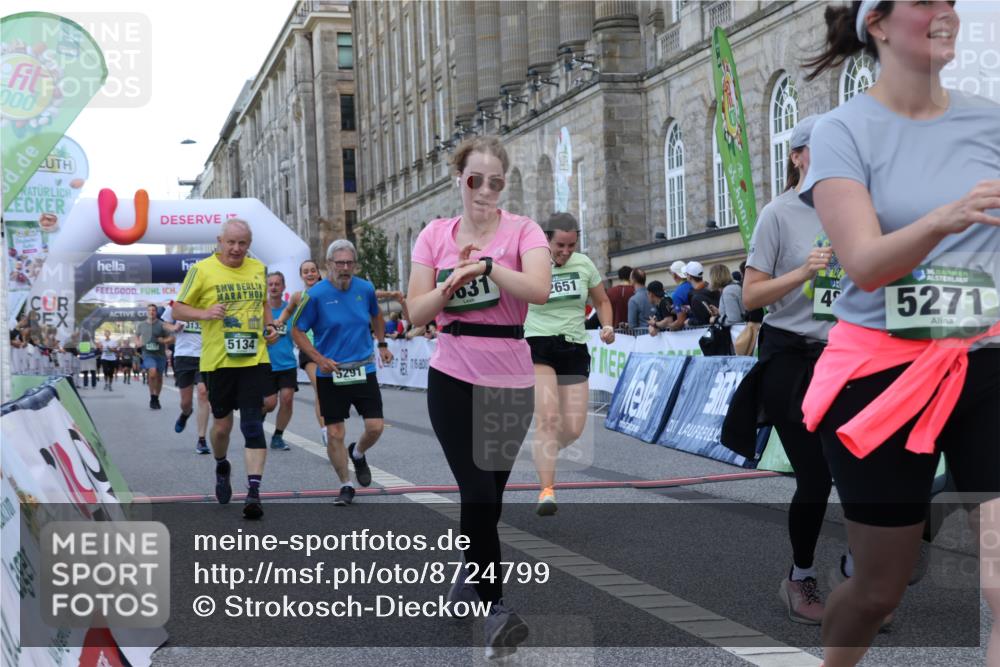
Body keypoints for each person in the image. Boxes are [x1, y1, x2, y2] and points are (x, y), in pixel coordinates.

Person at [798, 2, 1000, 664]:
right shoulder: (842, 130)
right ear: (877, 25)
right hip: (879, 376)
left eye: (950, 1)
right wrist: (944, 218)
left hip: (985, 359)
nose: (945, 12)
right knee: (880, 590)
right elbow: (863, 262)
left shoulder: (991, 120)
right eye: (924, 2)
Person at [406, 135, 550, 660]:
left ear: (504, 184)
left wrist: (486, 267)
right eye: (475, 180)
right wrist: (450, 283)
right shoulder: (433, 236)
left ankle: (470, 576)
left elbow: (538, 288)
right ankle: (496, 612)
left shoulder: (523, 231)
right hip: (453, 375)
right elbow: (417, 313)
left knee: (490, 498)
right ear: (458, 181)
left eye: (495, 181)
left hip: (510, 377)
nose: (485, 190)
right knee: (479, 495)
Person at [727, 114, 840, 626]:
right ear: (796, 156)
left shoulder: (855, 211)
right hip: (791, 358)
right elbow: (752, 296)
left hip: (845, 357)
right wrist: (803, 271)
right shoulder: (778, 215)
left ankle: (868, 577)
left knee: (866, 472)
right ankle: (800, 577)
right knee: (815, 477)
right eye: (820, 147)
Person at [171, 218, 280, 520]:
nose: (236, 248)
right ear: (220, 241)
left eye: (242, 243)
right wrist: (205, 313)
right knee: (221, 427)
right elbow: (178, 308)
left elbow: (263, 304)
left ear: (249, 244)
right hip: (219, 361)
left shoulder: (258, 268)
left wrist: (270, 325)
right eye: (230, 242)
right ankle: (222, 465)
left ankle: (254, 492)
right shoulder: (202, 270)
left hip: (254, 358)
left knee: (253, 425)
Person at [525, 212, 615, 516]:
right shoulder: (531, 264)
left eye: (571, 245)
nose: (565, 251)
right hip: (538, 344)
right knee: (548, 419)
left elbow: (602, 300)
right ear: (546, 239)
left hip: (574, 346)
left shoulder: (584, 264)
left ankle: (543, 450)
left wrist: (607, 325)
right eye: (560, 245)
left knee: (574, 428)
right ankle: (546, 491)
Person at [292, 239, 394, 505]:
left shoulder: (365, 289)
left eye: (349, 262)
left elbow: (377, 316)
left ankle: (358, 453)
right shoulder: (315, 295)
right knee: (335, 432)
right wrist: (318, 358)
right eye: (340, 263)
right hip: (331, 372)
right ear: (328, 265)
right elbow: (296, 329)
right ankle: (346, 484)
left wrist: (382, 344)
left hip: (363, 368)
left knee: (375, 427)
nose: (345, 268)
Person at [275, 259, 325, 442]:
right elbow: (288, 311)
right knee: (321, 388)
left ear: (319, 273)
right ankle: (326, 431)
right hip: (308, 347)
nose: (310, 274)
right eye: (306, 271)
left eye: (313, 270)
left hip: (329, 346)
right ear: (301, 276)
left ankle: (333, 424)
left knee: (332, 392)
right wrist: (279, 321)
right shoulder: (298, 296)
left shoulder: (329, 292)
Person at [162, 301, 211, 454]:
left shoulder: (207, 301)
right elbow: (165, 324)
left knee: (203, 393)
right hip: (183, 356)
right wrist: (174, 328)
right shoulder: (178, 303)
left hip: (204, 356)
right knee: (186, 402)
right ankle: (186, 413)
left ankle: (201, 440)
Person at [263, 272, 298, 451]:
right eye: (271, 284)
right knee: (269, 404)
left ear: (283, 287)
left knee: (287, 399)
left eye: (277, 284)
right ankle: (257, 422)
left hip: (287, 363)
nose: (274, 287)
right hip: (266, 364)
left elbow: (299, 334)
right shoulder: (261, 311)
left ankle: (278, 436)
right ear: (266, 287)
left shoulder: (290, 311)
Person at [135, 304, 172, 409]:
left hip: (160, 355)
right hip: (147, 354)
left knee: (159, 378)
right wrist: (138, 342)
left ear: (156, 312)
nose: (151, 312)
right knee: (152, 373)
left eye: (154, 310)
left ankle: (156, 398)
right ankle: (152, 396)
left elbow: (171, 338)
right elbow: (136, 335)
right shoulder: (141, 325)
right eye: (149, 310)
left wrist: (164, 341)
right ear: (147, 312)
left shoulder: (162, 325)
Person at [684, 261, 718, 327]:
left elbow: (702, 321)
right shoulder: (713, 289)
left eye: (686, 274)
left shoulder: (695, 297)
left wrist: (689, 322)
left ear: (690, 277)